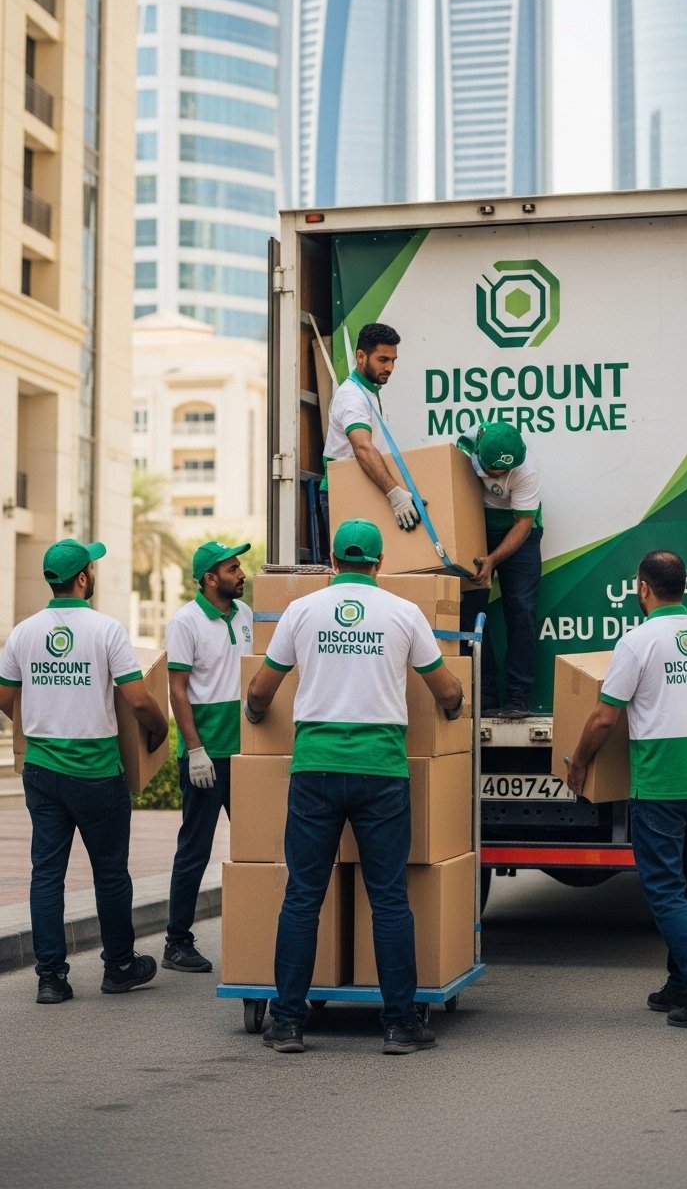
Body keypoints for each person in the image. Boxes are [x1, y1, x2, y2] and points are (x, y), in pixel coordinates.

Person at [245, 518, 465, 1055]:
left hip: (315, 769)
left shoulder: (301, 611)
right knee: (389, 899)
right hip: (382, 772)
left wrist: (255, 712)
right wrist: (454, 702)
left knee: (302, 896)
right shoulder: (404, 613)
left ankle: (290, 1023)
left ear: (335, 561)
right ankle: (399, 1025)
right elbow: (445, 689)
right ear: (379, 560)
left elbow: (261, 689)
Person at [566, 550, 687, 1031]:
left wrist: (578, 762)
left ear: (642, 588)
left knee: (664, 890)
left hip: (661, 782)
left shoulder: (638, 642)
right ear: (685, 586)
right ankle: (681, 983)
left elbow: (603, 716)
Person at [0, 538, 168, 1004]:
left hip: (42, 771)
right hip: (96, 771)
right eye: (91, 568)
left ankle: (51, 977)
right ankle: (118, 967)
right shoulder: (106, 630)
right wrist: (159, 731)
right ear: (82, 578)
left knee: (46, 875)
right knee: (110, 873)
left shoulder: (23, 632)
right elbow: (137, 698)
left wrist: (39, 727)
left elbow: (4, 697)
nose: (94, 573)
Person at [163, 540, 253, 973]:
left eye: (240, 566)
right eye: (233, 568)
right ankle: (177, 942)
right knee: (195, 849)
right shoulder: (186, 621)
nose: (242, 573)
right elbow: (177, 689)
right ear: (210, 578)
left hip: (245, 756)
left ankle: (262, 929)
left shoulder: (246, 615)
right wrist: (195, 750)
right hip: (206, 758)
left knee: (258, 847)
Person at [457, 421, 542, 718]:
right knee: (470, 610)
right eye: (491, 469)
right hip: (475, 525)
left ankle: (517, 694)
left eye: (501, 472)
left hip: (518, 530)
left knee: (521, 608)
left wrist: (493, 559)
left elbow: (523, 524)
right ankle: (485, 693)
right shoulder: (465, 445)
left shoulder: (526, 468)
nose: (495, 477)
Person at [319, 322, 420, 546]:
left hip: (360, 488)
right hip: (344, 492)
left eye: (393, 360)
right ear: (361, 356)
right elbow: (362, 447)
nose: (390, 367)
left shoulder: (368, 392)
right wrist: (396, 495)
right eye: (383, 359)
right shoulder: (352, 397)